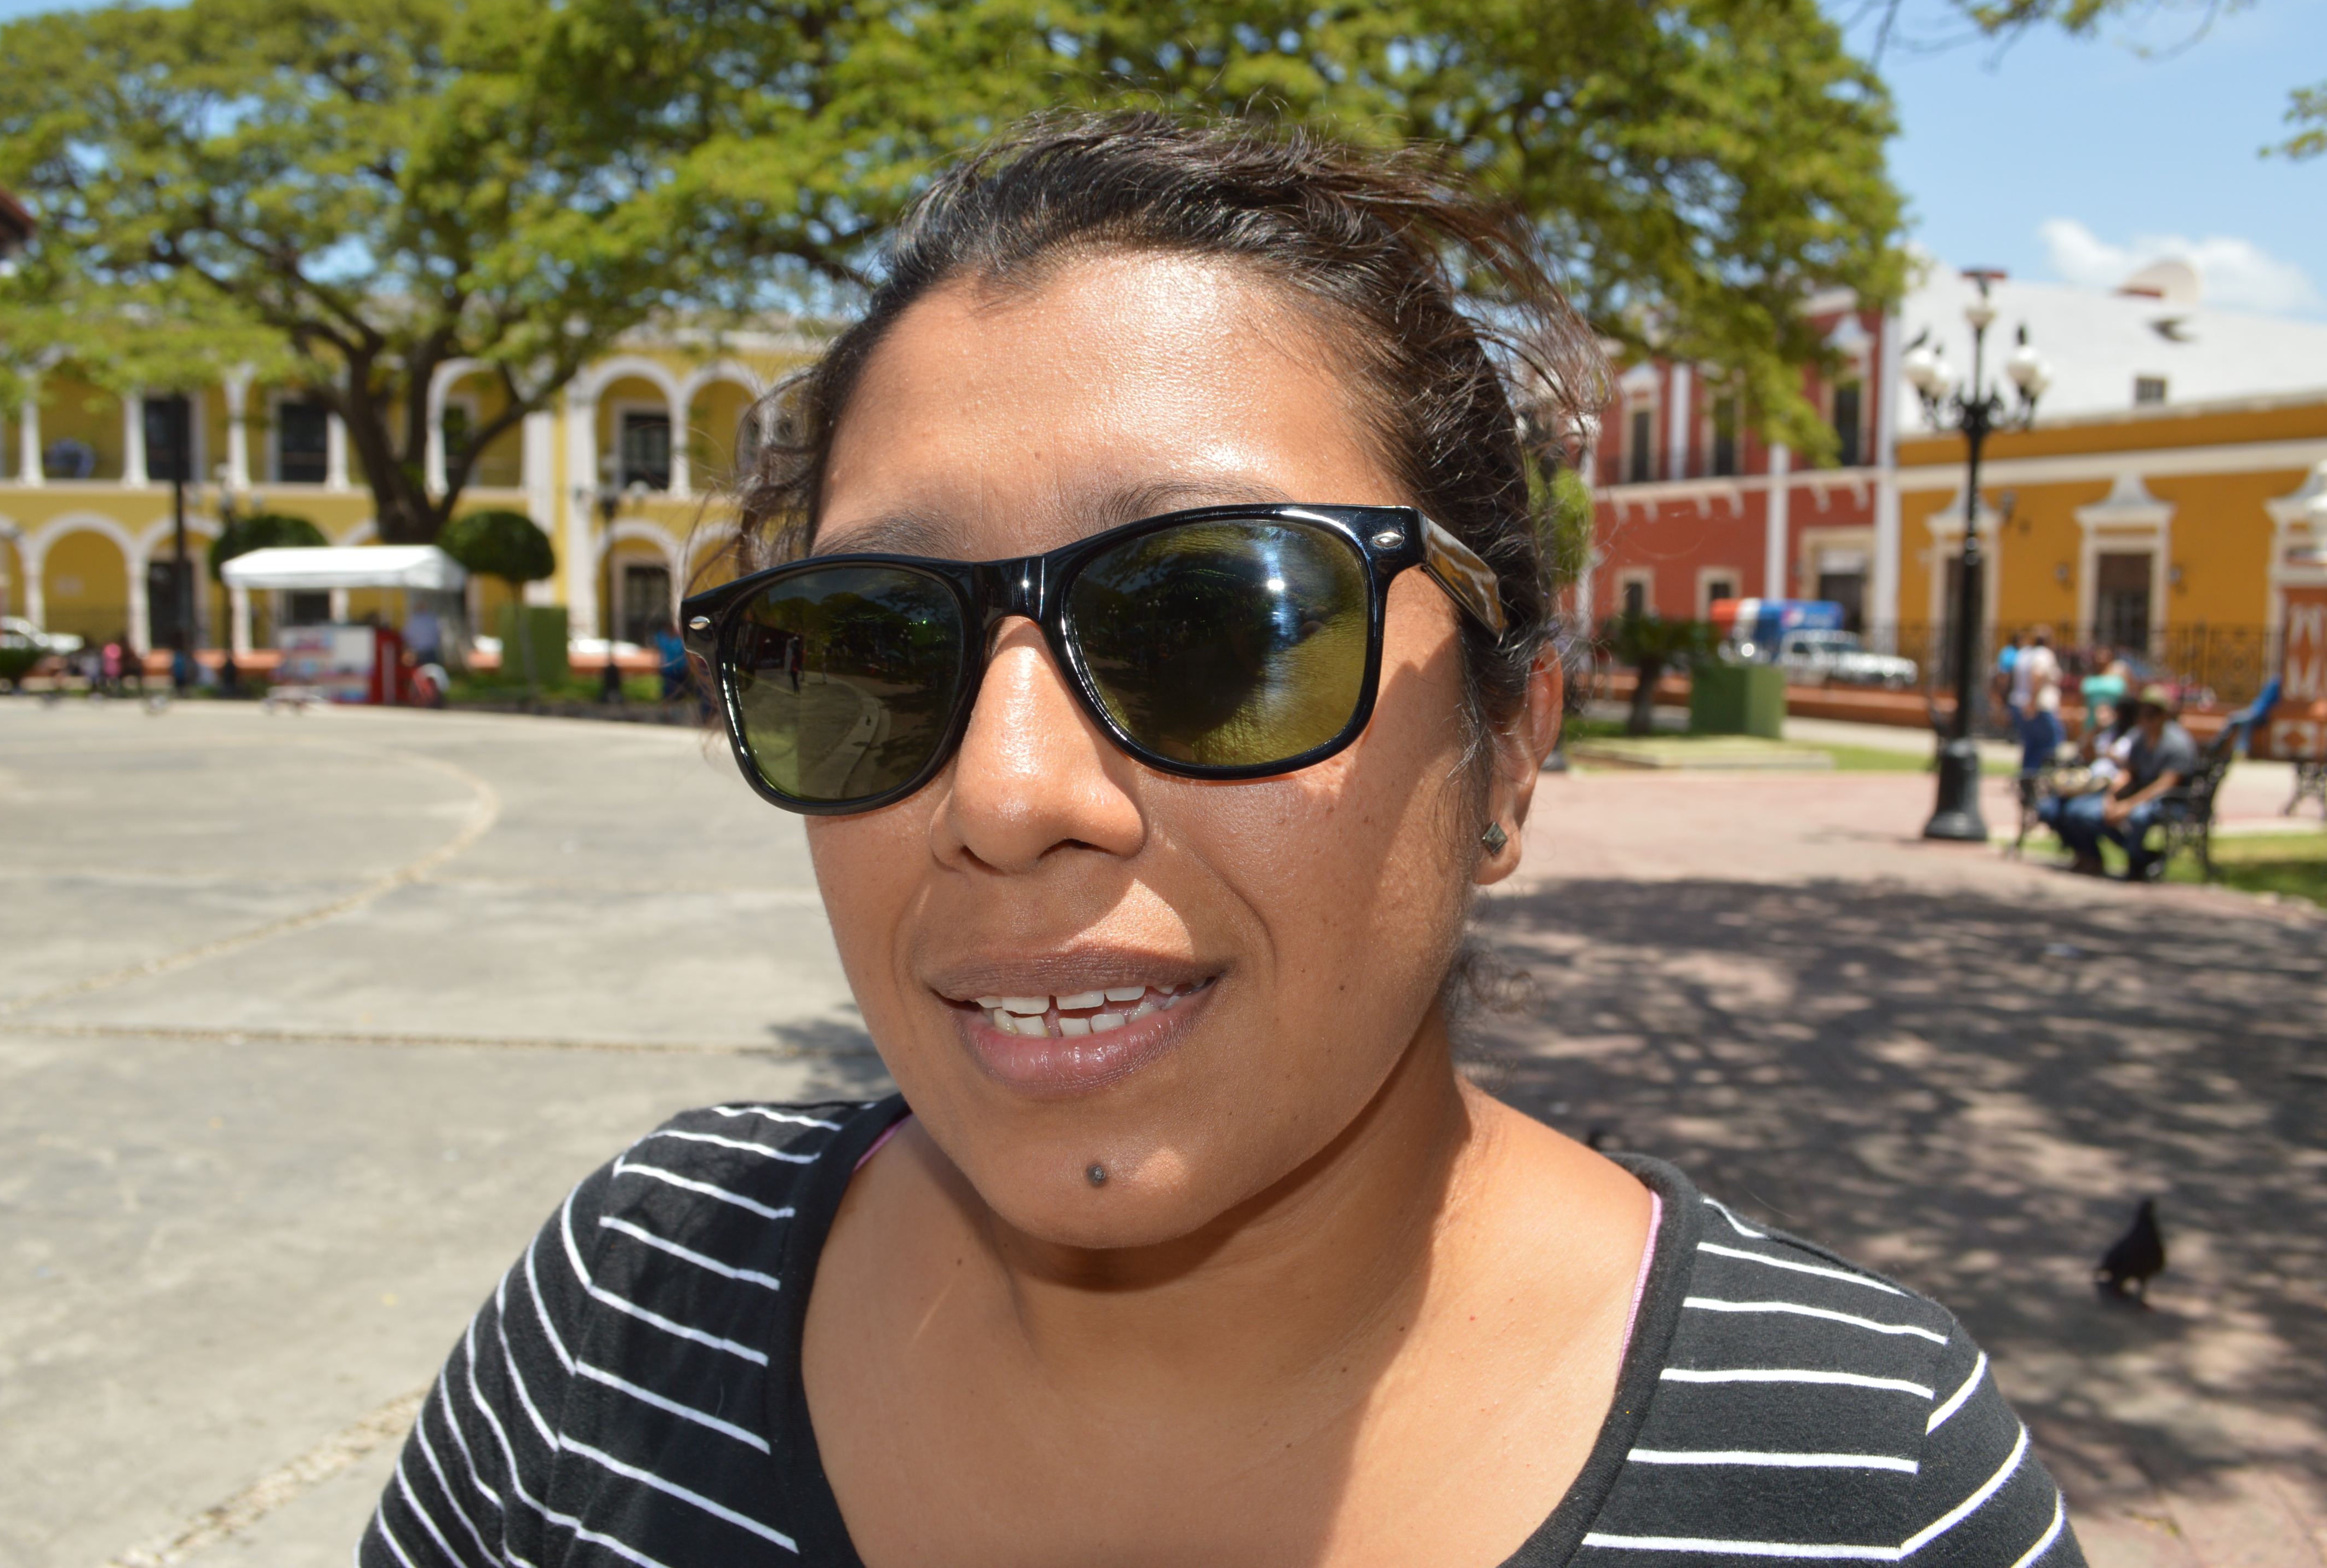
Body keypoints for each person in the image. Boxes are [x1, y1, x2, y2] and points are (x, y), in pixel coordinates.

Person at [362, 115, 2079, 1568]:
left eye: (1212, 625)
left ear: (1506, 745)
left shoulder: (1868, 1484)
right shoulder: (623, 1315)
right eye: (873, 645)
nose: (1006, 793)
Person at [2046, 685, 2200, 878]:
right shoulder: (2140, 736)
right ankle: (2141, 857)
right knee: (2079, 812)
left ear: (2165, 715)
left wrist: (2127, 806)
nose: (2145, 718)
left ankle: (2137, 861)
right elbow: (2129, 771)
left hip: (2169, 802)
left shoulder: (2177, 744)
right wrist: (2111, 798)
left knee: (2138, 817)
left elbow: (2164, 785)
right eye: (2142, 712)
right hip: (2137, 796)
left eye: (2152, 713)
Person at [2011, 626, 2063, 775]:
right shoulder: (2044, 654)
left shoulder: (2024, 654)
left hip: (2019, 703)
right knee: (2052, 741)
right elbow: (2037, 675)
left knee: (2032, 744)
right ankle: (2041, 777)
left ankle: (2027, 777)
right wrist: (2032, 702)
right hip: (2040, 706)